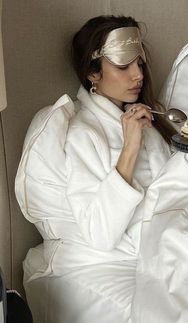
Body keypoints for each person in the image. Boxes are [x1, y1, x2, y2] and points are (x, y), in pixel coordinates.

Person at [15, 15, 176, 323]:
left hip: (171, 237)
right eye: (122, 66)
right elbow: (100, 232)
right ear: (93, 73)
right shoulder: (83, 134)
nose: (137, 75)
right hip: (126, 253)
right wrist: (129, 148)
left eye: (139, 64)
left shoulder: (146, 121)